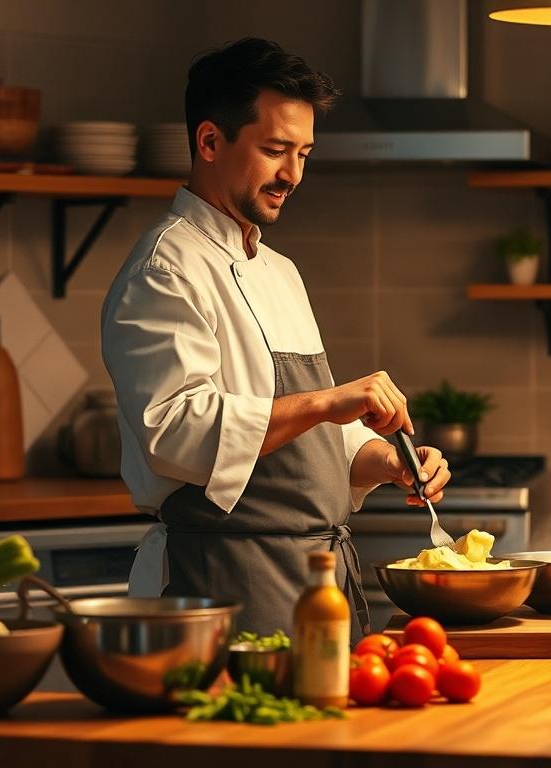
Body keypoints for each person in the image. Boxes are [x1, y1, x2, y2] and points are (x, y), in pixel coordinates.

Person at [101, 38, 451, 638]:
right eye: (274, 151)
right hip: (221, 582)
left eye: (304, 153)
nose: (292, 175)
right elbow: (174, 432)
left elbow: (308, 443)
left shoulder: (279, 271)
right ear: (210, 142)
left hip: (314, 579)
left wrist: (385, 462)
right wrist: (327, 401)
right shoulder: (165, 269)